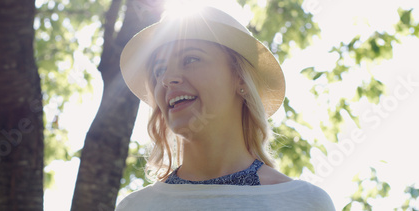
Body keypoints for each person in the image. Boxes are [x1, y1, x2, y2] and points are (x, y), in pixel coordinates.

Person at [116, 6, 335, 211]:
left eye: (191, 59)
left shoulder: (305, 203)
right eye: (159, 69)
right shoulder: (135, 207)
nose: (167, 79)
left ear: (240, 78)